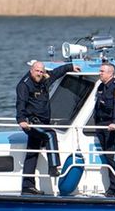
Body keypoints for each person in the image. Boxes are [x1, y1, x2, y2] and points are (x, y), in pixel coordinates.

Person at [16, 58, 76, 195]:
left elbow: (55, 73)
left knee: (32, 153)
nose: (39, 74)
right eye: (37, 71)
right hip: (32, 122)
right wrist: (21, 120)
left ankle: (27, 186)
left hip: (43, 122)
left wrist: (70, 66)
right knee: (50, 134)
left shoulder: (43, 79)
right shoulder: (24, 85)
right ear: (31, 71)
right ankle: (53, 167)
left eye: (41, 72)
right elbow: (21, 103)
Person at [91, 61, 115, 198]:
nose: (99, 73)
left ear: (110, 73)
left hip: (112, 127)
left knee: (112, 157)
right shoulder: (101, 86)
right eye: (100, 71)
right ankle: (111, 189)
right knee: (107, 157)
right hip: (101, 125)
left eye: (102, 71)